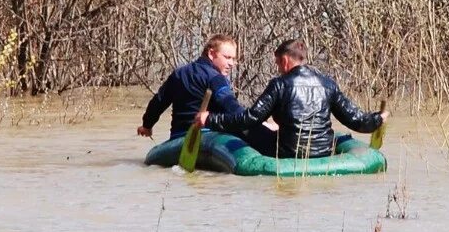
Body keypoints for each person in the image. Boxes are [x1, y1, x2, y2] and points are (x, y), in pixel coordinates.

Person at [198, 39, 384, 158]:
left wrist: (210, 119)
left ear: (285, 60)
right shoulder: (328, 84)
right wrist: (378, 119)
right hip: (322, 152)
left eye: (278, 63)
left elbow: (249, 119)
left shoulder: (279, 85)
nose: (278, 68)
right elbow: (355, 120)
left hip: (288, 152)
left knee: (248, 130)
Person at [139, 33, 276, 155]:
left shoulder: (179, 73)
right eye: (227, 57)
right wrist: (260, 124)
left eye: (233, 59)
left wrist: (147, 126)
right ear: (211, 53)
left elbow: (158, 102)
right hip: (207, 135)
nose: (232, 63)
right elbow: (232, 108)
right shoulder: (215, 78)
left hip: (178, 135)